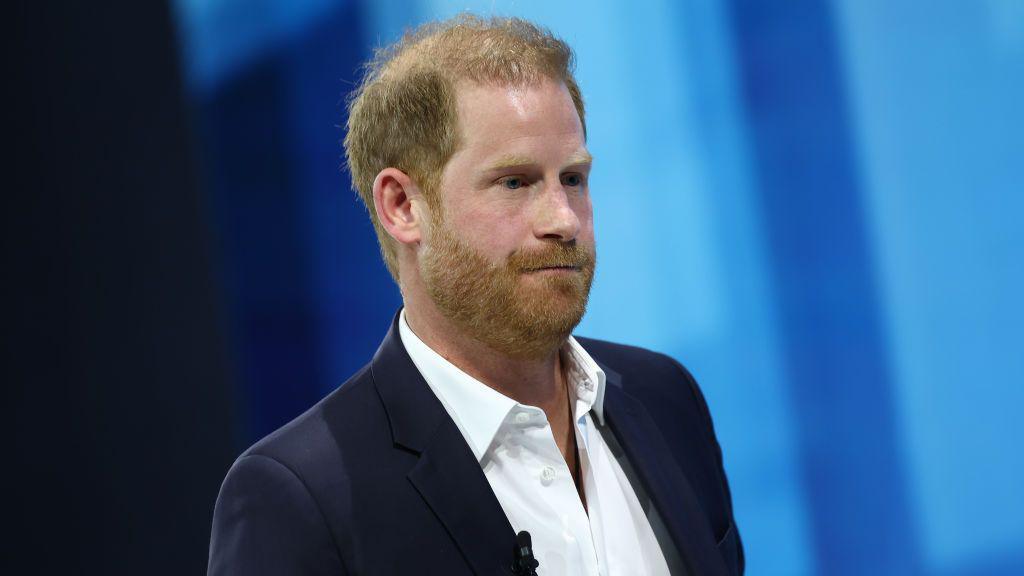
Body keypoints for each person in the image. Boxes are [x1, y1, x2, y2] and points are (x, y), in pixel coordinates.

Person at [208, 15, 743, 576]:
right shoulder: (300, 497)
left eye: (573, 179)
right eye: (515, 182)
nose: (563, 219)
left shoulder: (667, 402)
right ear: (402, 206)